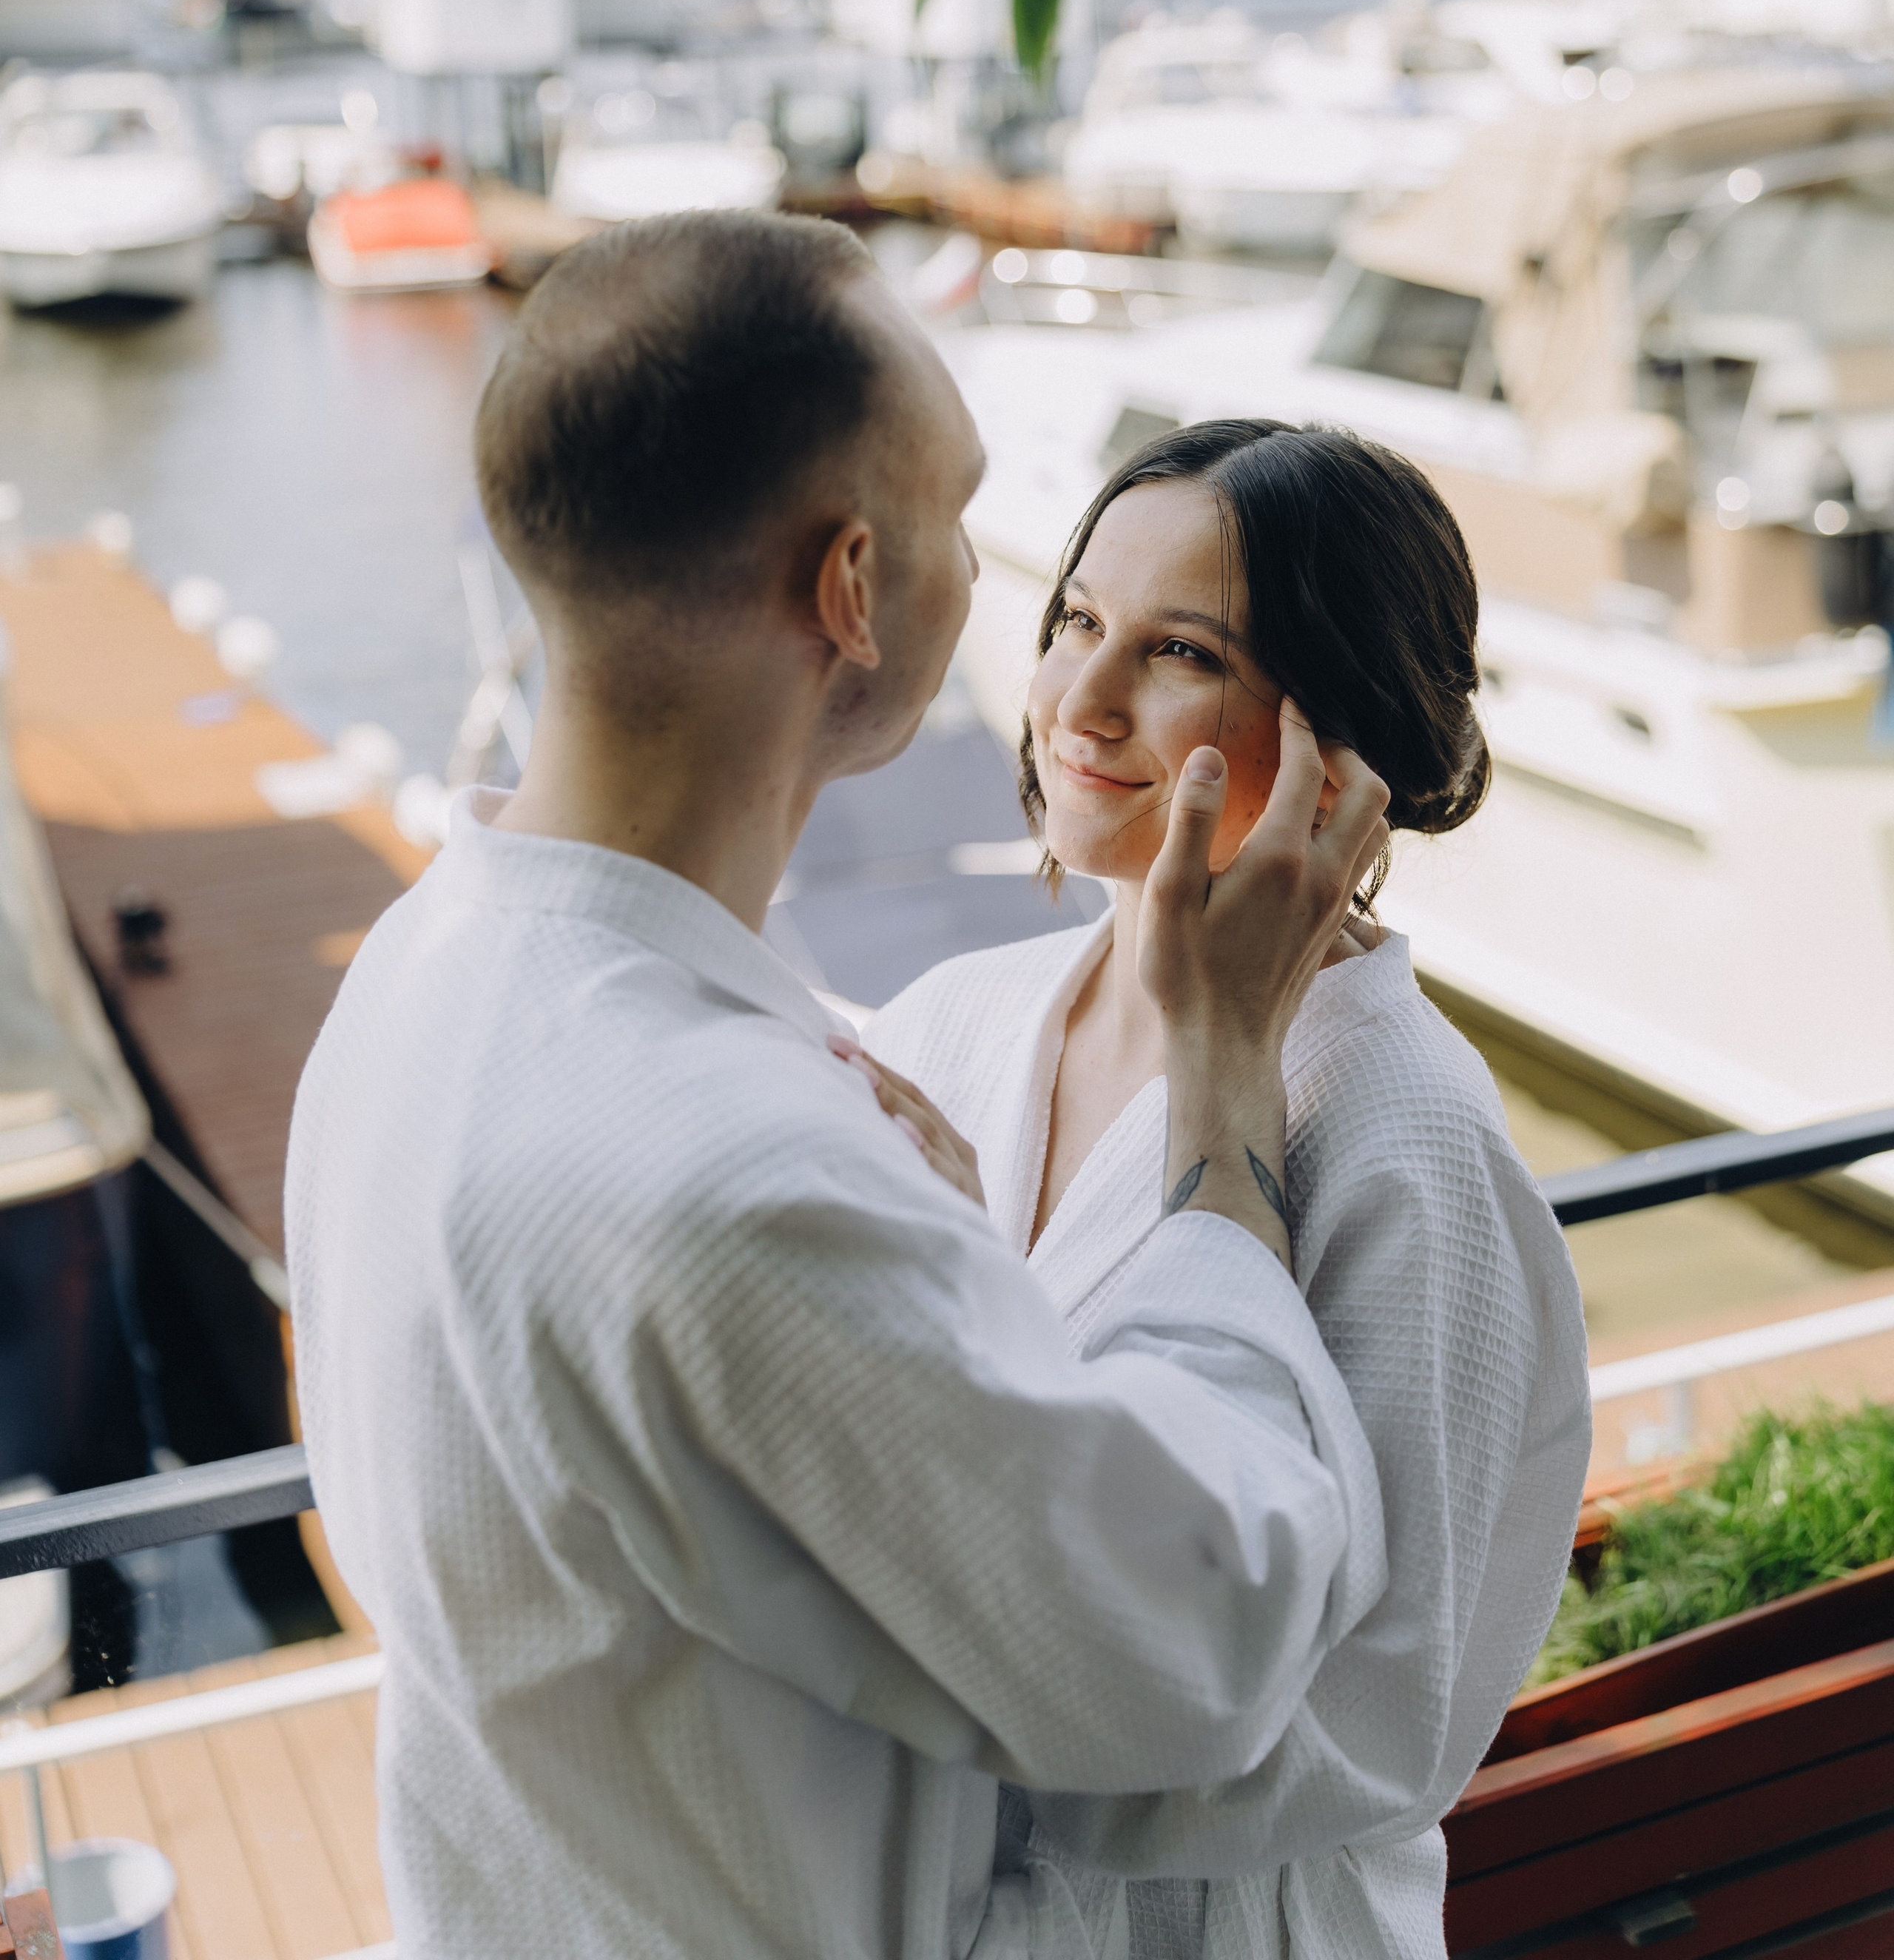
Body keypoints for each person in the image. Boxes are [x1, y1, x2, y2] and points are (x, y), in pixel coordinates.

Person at [285, 218, 1399, 1960]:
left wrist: (937, 1268)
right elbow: (1205, 1642)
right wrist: (1218, 1106)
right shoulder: (727, 1175)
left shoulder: (415, 981)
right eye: (960, 513)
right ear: (853, 586)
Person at [860, 420, 1592, 1959]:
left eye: (1181, 652)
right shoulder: (947, 1026)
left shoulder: (1407, 1139)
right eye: (1077, 621)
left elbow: (1384, 1723)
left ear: (1341, 741)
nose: (1082, 699)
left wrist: (928, 1688)